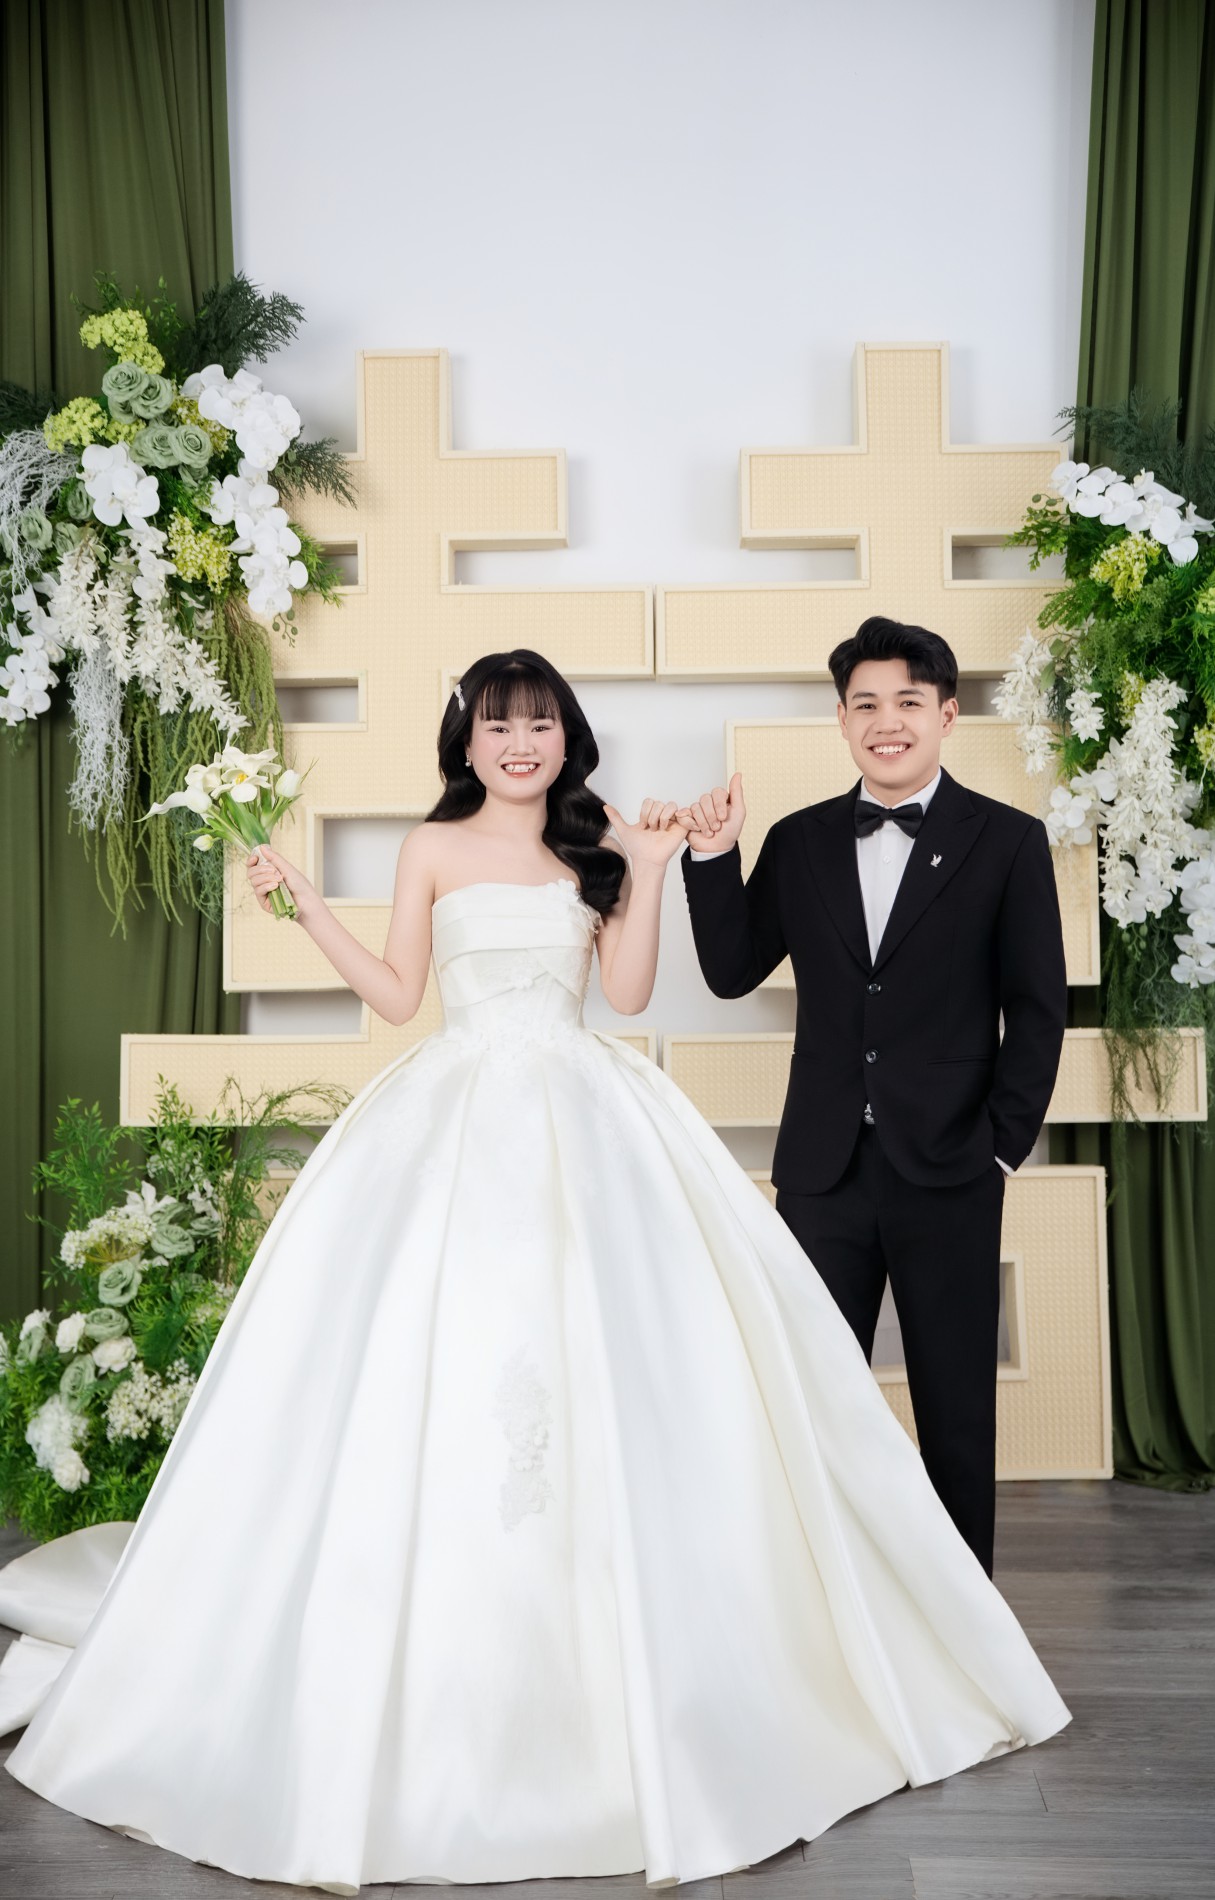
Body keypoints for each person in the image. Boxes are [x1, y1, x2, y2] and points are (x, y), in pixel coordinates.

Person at [2, 648, 1069, 1894]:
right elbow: (399, 995)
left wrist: (652, 869)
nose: (521, 743)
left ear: (568, 737)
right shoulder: (430, 847)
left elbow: (625, 989)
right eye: (500, 725)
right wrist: (308, 906)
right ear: (466, 740)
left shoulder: (594, 846)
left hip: (586, 1119)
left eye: (542, 723)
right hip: (449, 1124)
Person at [678, 615, 1068, 1577]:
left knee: (954, 1415)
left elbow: (1037, 1009)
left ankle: (963, 1631)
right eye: (864, 705)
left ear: (946, 714)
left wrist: (999, 1146)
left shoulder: (1007, 842)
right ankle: (823, 1613)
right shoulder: (799, 840)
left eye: (906, 702)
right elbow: (731, 971)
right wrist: (713, 857)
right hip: (822, 1173)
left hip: (951, 1168)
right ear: (841, 720)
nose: (885, 722)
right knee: (810, 1403)